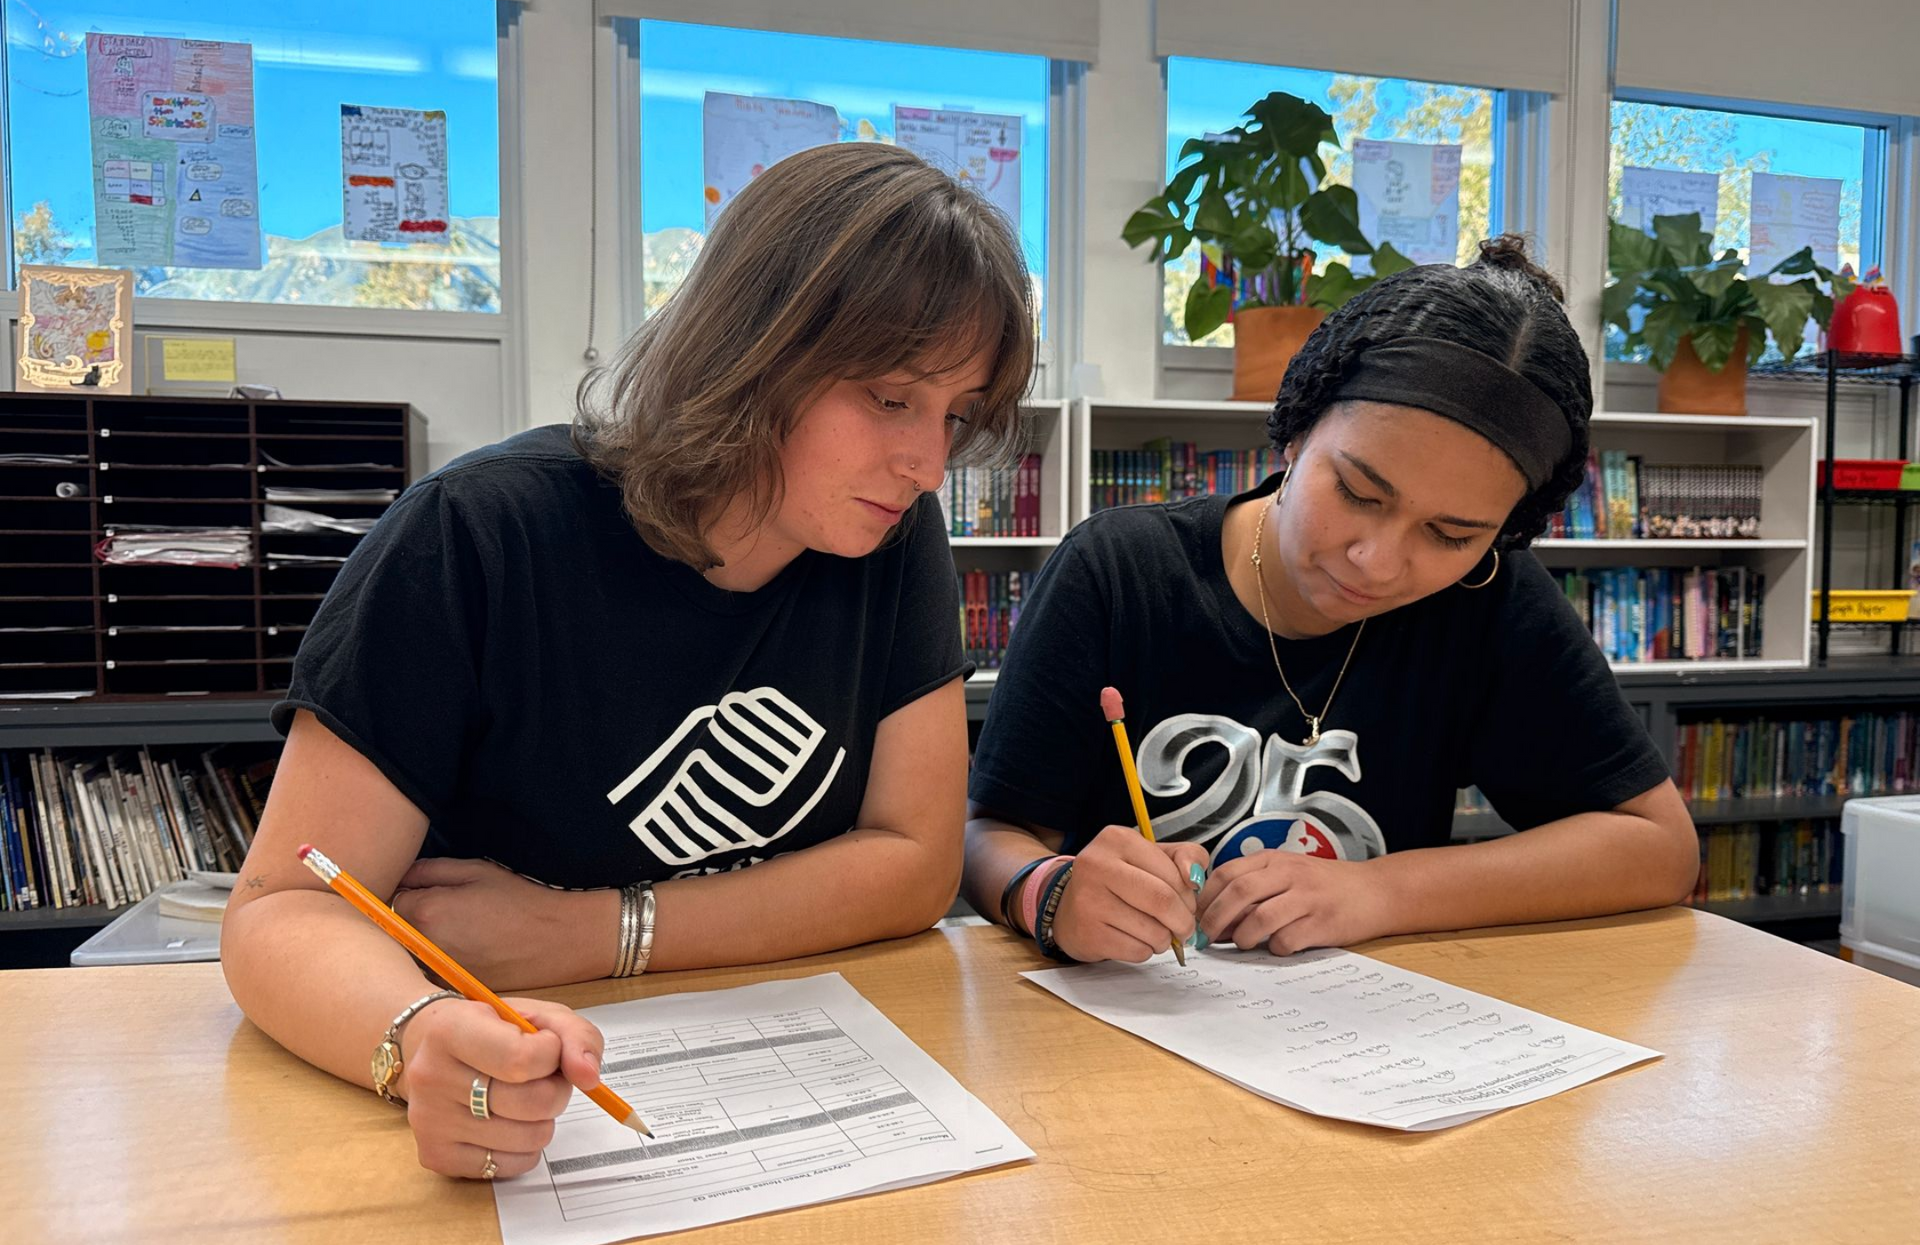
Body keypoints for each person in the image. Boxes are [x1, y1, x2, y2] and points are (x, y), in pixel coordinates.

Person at [222, 142, 1034, 1180]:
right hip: (518, 1106)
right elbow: (283, 909)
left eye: (956, 415)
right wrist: (416, 1034)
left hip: (785, 1080)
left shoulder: (890, 539)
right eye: (889, 398)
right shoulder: (475, 537)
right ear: (755, 349)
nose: (926, 465)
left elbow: (915, 865)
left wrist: (605, 931)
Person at [963, 236, 1697, 965]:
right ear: (1297, 428)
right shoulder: (1120, 571)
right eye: (1357, 492)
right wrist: (1051, 893)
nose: (1377, 562)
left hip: (1366, 1023)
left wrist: (1382, 892)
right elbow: (987, 836)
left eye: (1451, 534)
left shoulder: (1489, 597)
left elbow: (1659, 848)